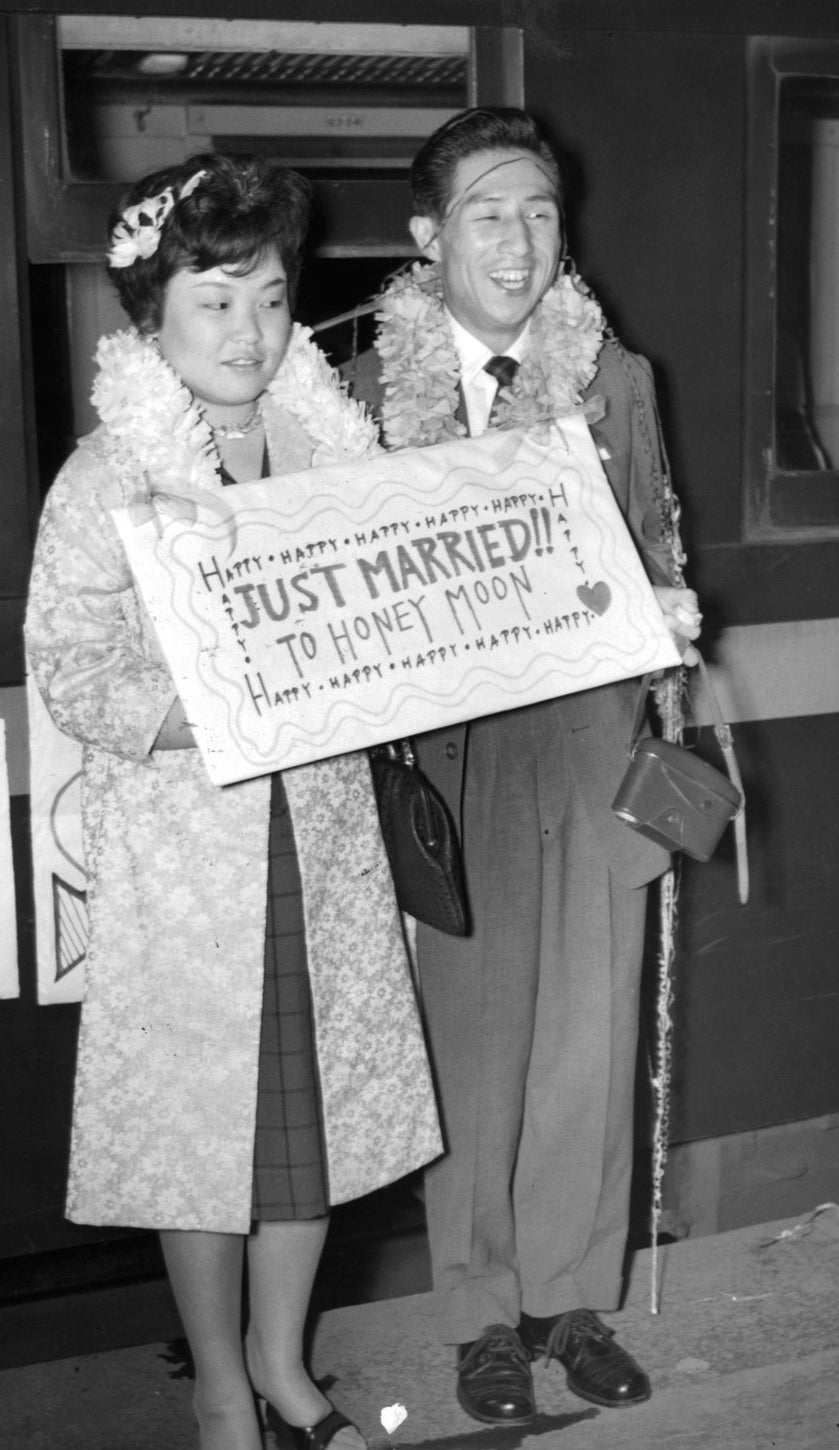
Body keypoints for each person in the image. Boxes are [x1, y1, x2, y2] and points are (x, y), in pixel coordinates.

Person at [25, 153, 442, 1450]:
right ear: (153, 315)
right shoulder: (107, 476)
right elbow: (66, 659)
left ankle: (283, 1357)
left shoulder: (337, 452)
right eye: (215, 302)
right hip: (186, 853)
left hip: (318, 843)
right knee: (199, 1134)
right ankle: (218, 1383)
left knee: (308, 1126)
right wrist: (199, 705)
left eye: (269, 297)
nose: (250, 331)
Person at [349, 108, 702, 1426]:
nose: (522, 240)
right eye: (491, 213)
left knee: (587, 1044)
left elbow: (661, 543)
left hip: (594, 735)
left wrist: (674, 616)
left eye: (544, 212)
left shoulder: (619, 376)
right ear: (430, 238)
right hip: (453, 754)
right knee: (476, 1050)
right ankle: (482, 1317)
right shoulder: (370, 400)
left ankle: (571, 1299)